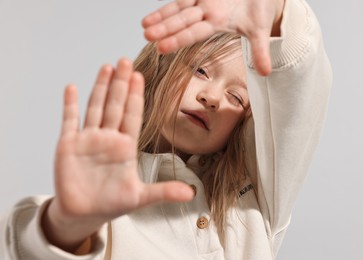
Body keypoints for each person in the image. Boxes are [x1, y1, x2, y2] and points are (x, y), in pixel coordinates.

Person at [0, 0, 332, 259]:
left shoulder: (255, 193)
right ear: (162, 67)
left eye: (236, 97)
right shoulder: (105, 196)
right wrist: (66, 225)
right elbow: (25, 247)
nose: (212, 97)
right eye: (201, 71)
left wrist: (275, 12)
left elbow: (297, 90)